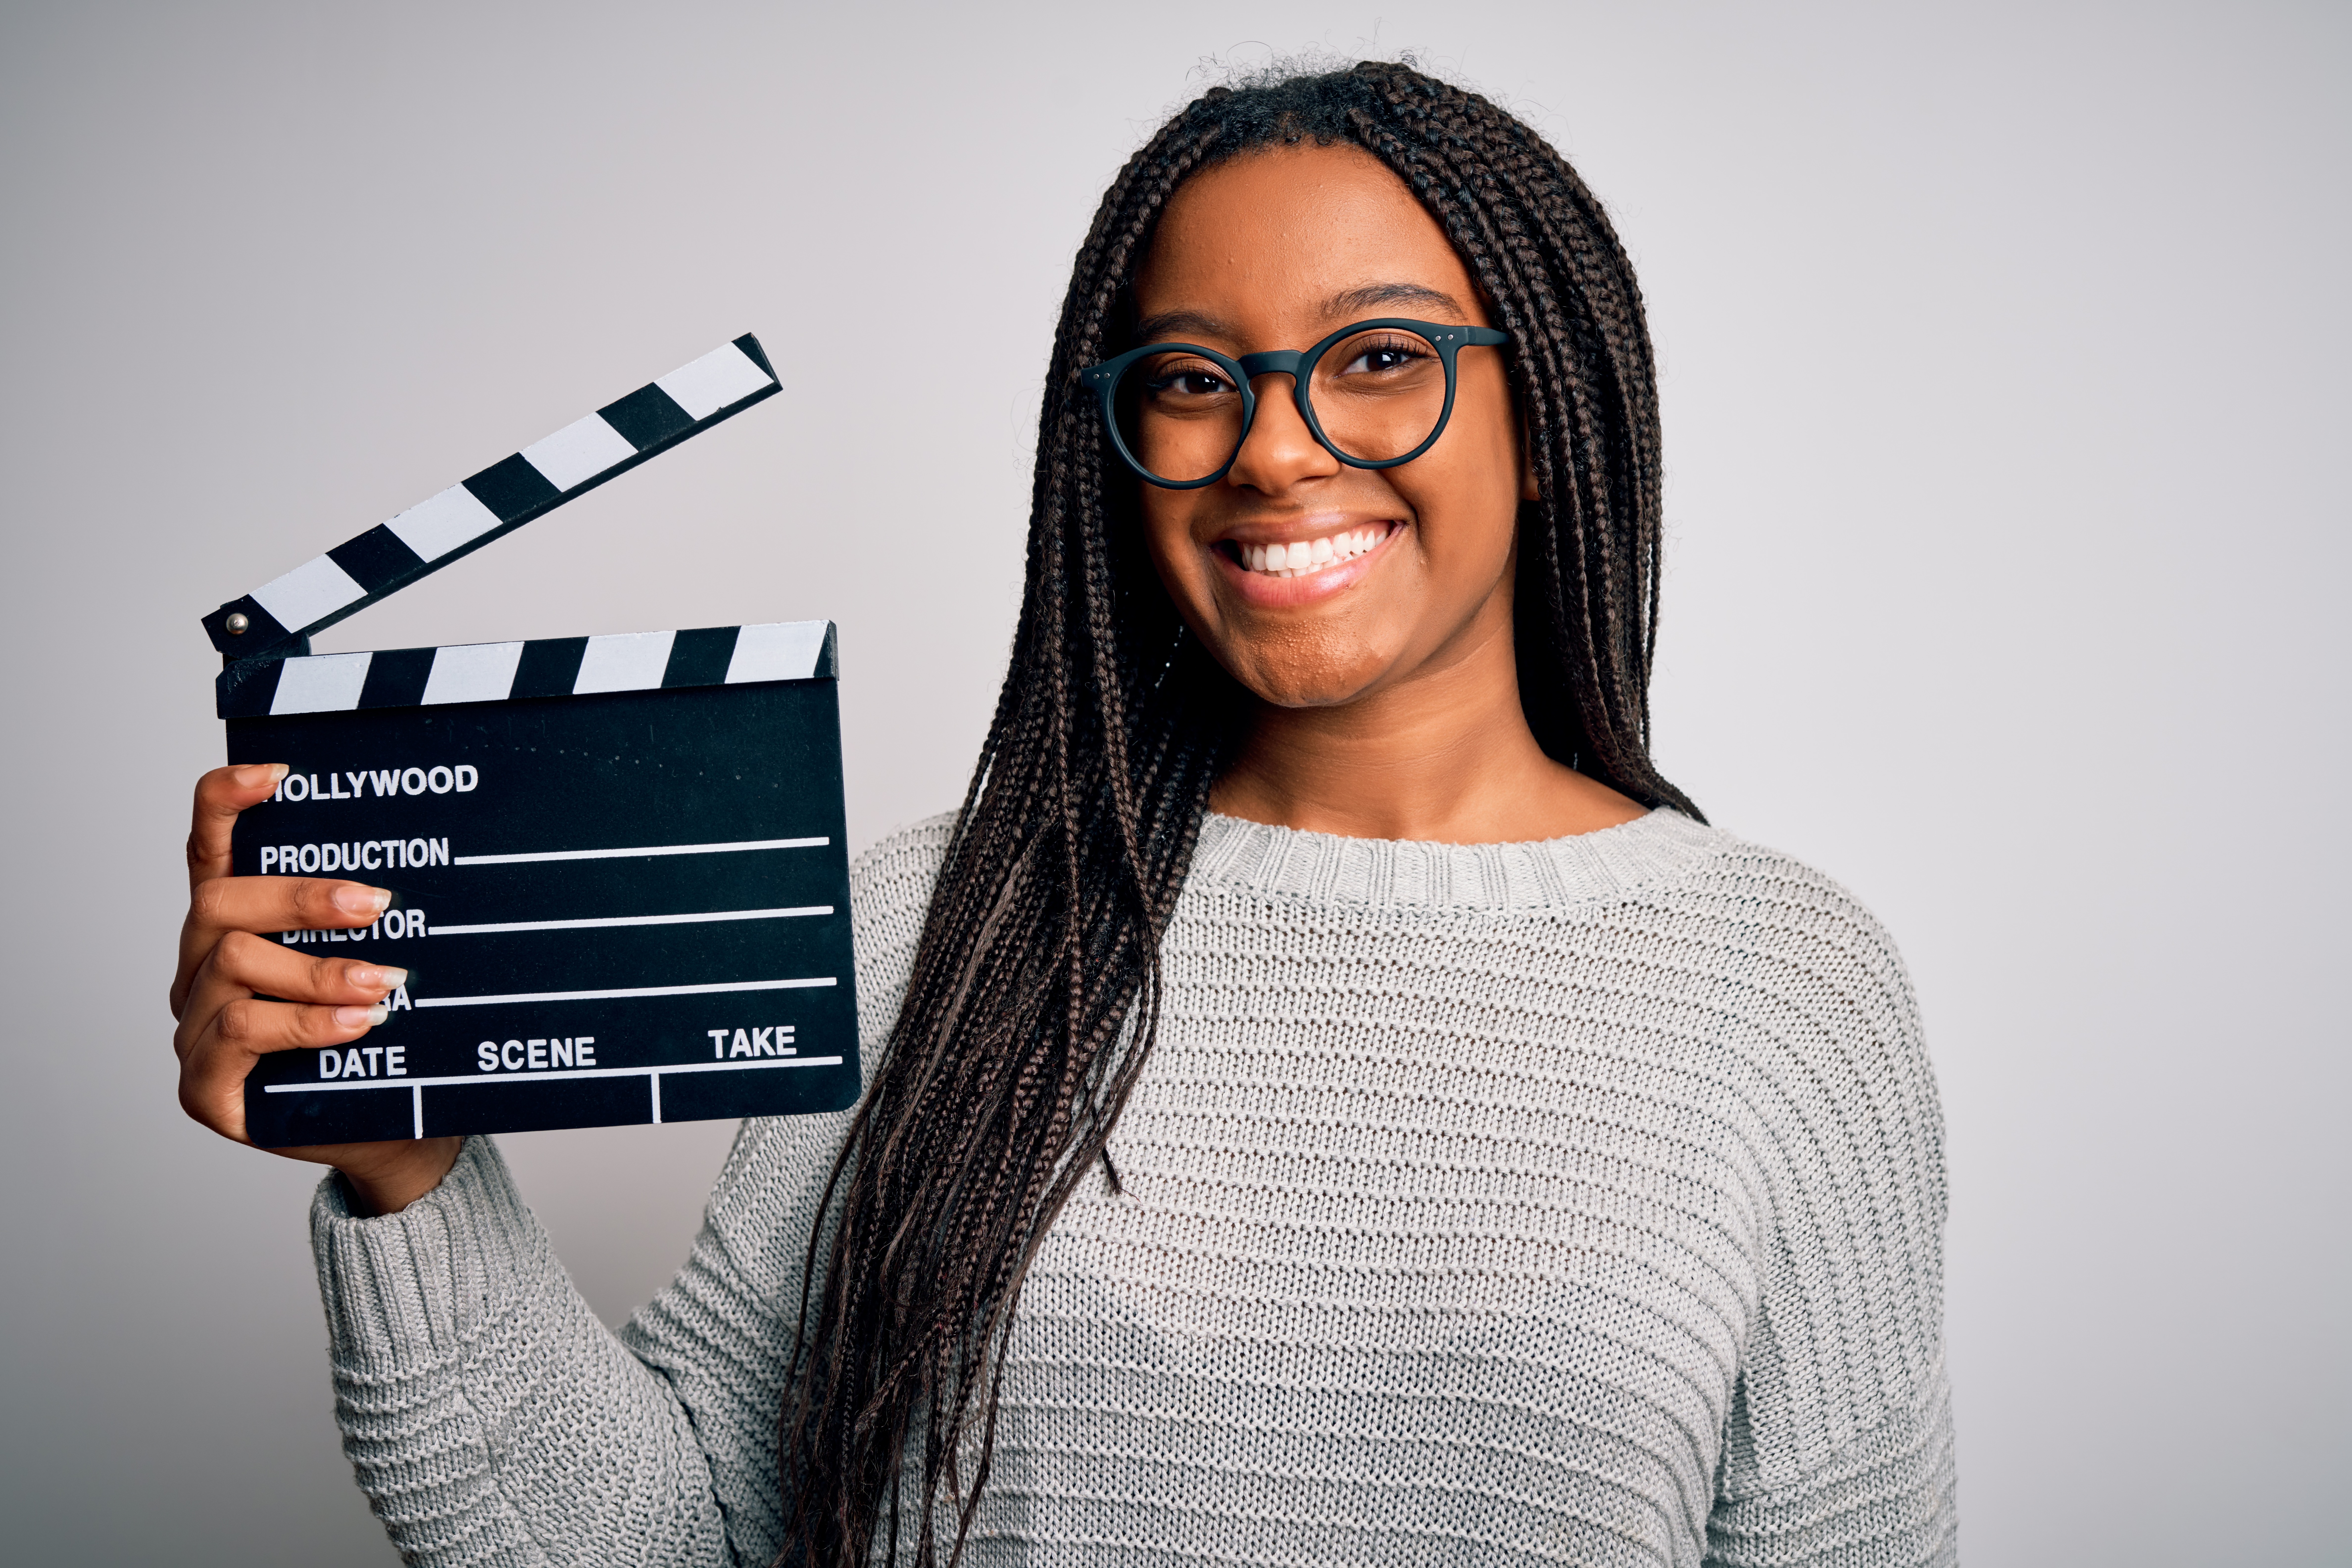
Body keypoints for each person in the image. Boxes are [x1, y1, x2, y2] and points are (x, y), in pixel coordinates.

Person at [170, 61, 1955, 1567]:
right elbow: (680, 1544)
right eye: (1189, 379)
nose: (1270, 448)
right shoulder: (927, 929)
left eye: (1380, 356)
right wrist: (405, 1173)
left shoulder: (1787, 993)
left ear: (1545, 407)